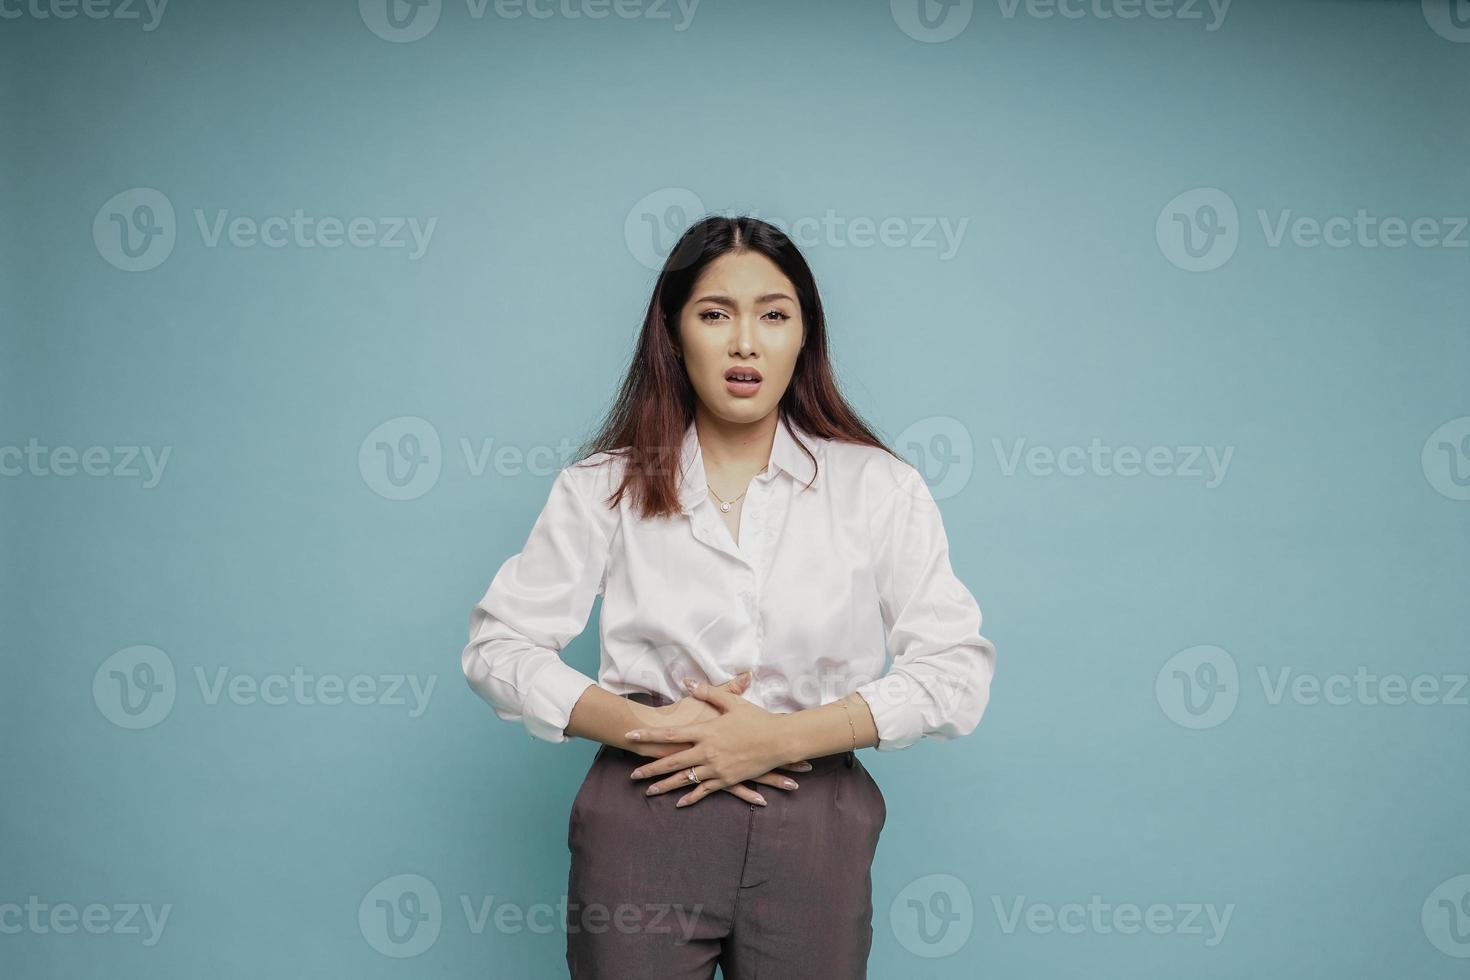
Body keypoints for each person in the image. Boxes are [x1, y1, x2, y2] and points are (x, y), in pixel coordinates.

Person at [461, 214, 997, 979]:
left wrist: (784, 737)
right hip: (647, 808)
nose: (746, 341)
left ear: (804, 337)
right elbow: (497, 647)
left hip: (815, 820)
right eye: (715, 314)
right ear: (674, 333)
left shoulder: (879, 486)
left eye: (774, 315)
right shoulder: (602, 487)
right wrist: (645, 727)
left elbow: (956, 670)